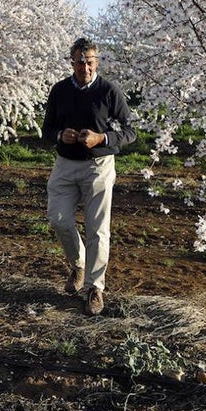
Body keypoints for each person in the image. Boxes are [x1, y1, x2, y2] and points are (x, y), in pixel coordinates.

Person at [42, 37, 135, 316]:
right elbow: (47, 131)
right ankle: (78, 264)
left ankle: (95, 287)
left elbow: (130, 132)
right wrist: (61, 135)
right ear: (72, 63)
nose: (86, 67)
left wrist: (102, 138)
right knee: (57, 218)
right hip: (66, 164)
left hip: (99, 166)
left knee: (97, 229)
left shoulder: (109, 91)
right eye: (80, 62)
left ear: (97, 62)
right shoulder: (59, 91)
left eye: (90, 62)